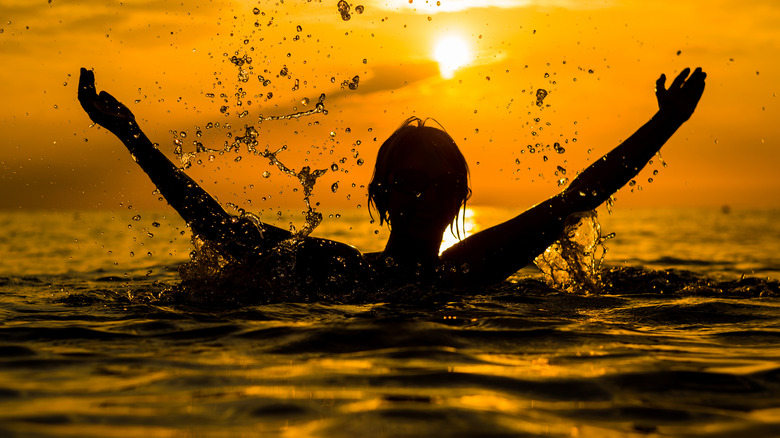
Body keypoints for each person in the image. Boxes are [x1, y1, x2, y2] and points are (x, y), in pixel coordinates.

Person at [77, 66, 706, 300]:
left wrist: (665, 125)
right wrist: (132, 138)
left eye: (439, 183)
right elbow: (213, 223)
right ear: (378, 194)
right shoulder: (329, 269)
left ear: (462, 196)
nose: (422, 194)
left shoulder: (473, 269)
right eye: (405, 180)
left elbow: (579, 198)